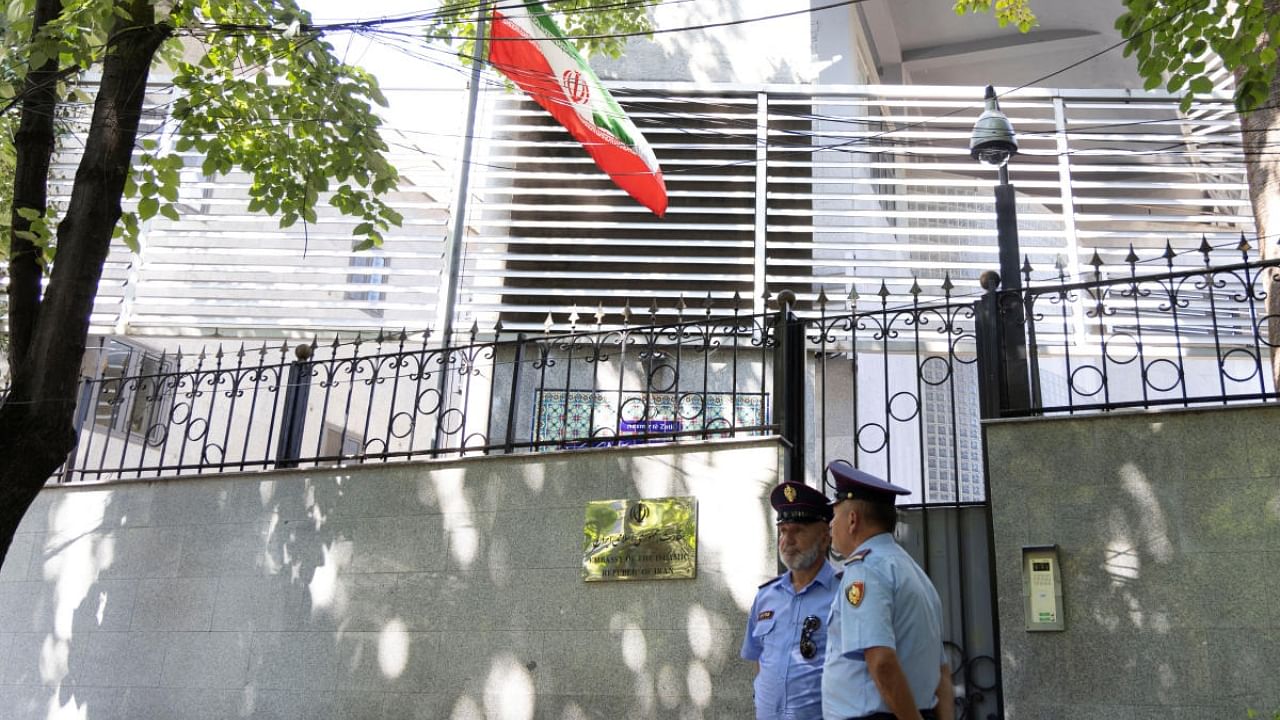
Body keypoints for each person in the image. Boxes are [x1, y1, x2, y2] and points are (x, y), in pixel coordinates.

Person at [821, 461, 954, 720]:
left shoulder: (865, 569)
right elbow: (942, 672)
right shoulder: (913, 572)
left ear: (852, 520)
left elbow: (881, 661)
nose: (830, 525)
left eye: (834, 516)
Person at [741, 481, 840, 720]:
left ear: (825, 538)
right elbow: (760, 659)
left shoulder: (844, 592)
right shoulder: (766, 596)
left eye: (798, 531)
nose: (787, 540)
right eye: (783, 531)